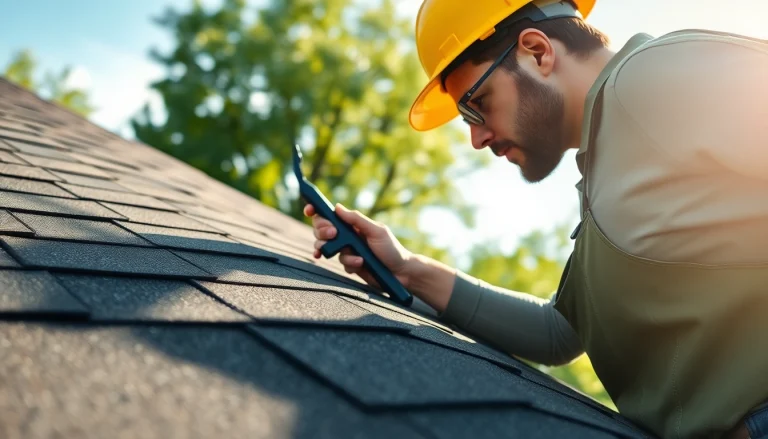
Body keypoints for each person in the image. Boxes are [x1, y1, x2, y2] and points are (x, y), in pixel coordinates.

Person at [303, 0, 768, 437]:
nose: (476, 139)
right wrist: (408, 269)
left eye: (476, 104)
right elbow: (560, 332)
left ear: (536, 52)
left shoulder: (656, 75)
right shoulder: (603, 170)